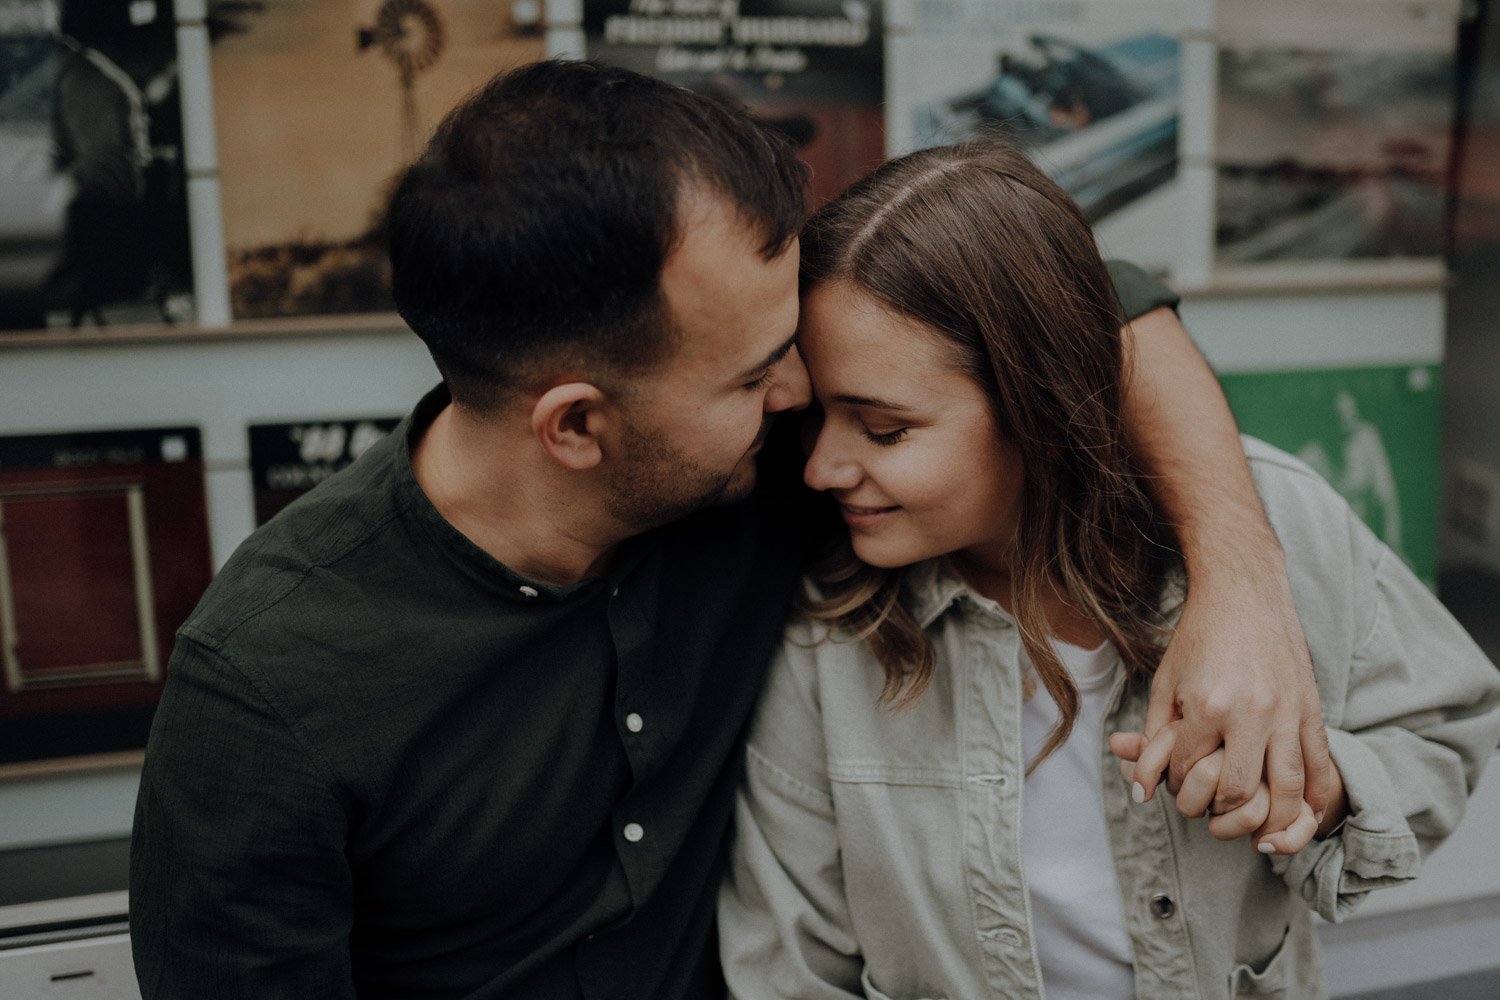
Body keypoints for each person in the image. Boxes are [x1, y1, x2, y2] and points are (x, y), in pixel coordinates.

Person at [131, 62, 1328, 998]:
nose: (804, 398)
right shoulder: (269, 691)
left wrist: (1243, 584)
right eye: (760, 371)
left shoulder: (775, 468)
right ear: (578, 427)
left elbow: (1092, 308)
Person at [717, 138, 1500, 1000]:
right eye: (816, 416)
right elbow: (790, 961)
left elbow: (1444, 725)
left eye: (885, 428)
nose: (823, 467)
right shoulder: (829, 627)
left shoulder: (1278, 520)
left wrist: (1322, 791)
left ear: (1037, 405)